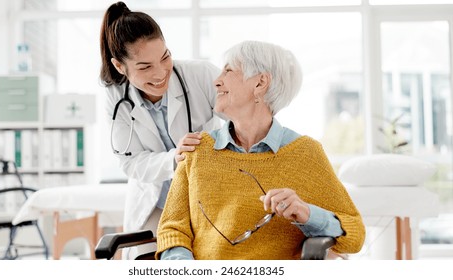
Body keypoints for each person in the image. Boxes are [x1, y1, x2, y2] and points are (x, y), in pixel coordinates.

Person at [156, 41, 365, 260]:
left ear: (260, 83)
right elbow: (172, 229)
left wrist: (307, 214)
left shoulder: (305, 152)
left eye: (228, 71)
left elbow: (355, 234)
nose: (217, 82)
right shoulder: (197, 150)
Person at [99, 1, 222, 259]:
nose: (161, 73)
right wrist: (173, 159)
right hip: (154, 202)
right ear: (121, 67)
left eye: (165, 57)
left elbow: (242, 120)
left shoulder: (200, 75)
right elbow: (130, 163)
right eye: (145, 67)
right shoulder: (116, 96)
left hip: (207, 196)